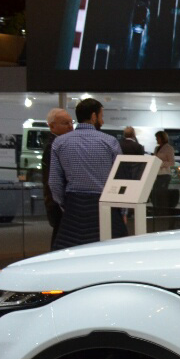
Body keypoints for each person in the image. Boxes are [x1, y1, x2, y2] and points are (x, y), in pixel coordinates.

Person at [48, 97, 123, 249]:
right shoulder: (110, 142)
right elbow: (119, 178)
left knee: (71, 256)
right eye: (101, 116)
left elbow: (54, 182)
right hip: (106, 206)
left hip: (74, 210)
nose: (102, 121)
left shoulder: (60, 143)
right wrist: (122, 210)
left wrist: (65, 204)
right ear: (94, 116)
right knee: (111, 253)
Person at [40, 107, 74, 251]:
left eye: (71, 122)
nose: (70, 126)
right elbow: (52, 181)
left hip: (58, 202)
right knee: (61, 241)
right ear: (52, 126)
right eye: (65, 123)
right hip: (58, 203)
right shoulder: (54, 146)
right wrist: (60, 204)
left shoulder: (58, 144)